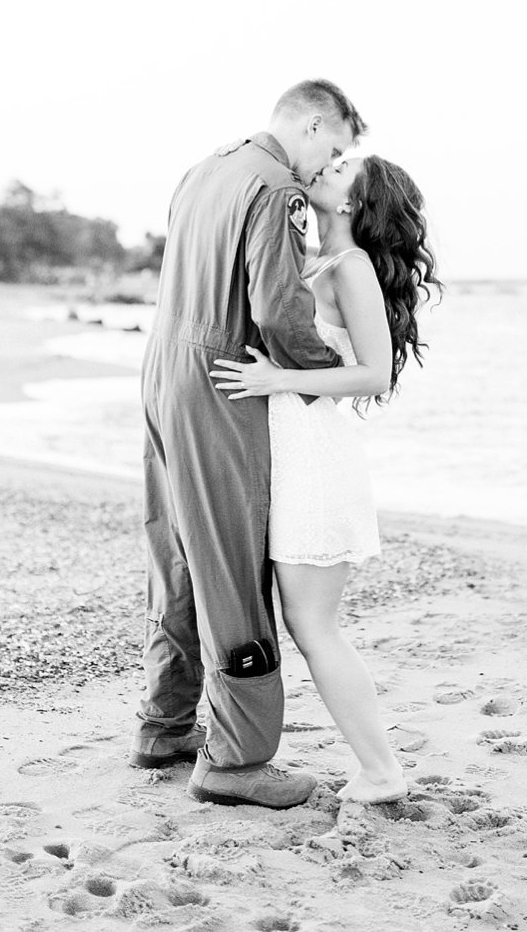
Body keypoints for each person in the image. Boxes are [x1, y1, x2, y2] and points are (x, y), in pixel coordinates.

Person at [128, 79, 358, 808]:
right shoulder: (277, 188)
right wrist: (333, 377)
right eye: (336, 147)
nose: (330, 165)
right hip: (219, 382)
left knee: (177, 557)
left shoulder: (205, 170)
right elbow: (279, 307)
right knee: (229, 564)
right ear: (315, 123)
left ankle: (164, 724)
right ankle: (237, 758)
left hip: (162, 371)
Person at [209, 153, 442, 803]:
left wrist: (277, 378)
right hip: (288, 457)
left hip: (316, 460)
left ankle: (381, 768)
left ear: (353, 201)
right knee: (304, 623)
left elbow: (373, 375)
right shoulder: (308, 262)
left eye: (342, 168)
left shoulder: (352, 267)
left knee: (313, 625)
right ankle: (375, 763)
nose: (326, 167)